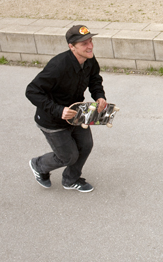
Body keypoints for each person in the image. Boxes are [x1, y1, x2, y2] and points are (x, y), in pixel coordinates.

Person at [26, 25, 107, 192]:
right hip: (52, 119)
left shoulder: (89, 60)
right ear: (72, 46)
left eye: (90, 41)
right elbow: (32, 91)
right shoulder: (58, 66)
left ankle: (71, 179)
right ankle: (39, 165)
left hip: (77, 113)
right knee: (68, 156)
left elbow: (95, 80)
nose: (90, 46)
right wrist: (58, 110)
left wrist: (99, 96)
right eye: (84, 43)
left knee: (86, 145)